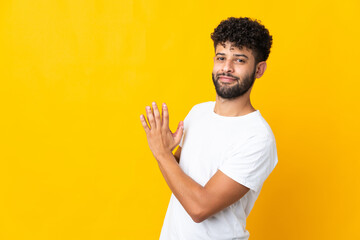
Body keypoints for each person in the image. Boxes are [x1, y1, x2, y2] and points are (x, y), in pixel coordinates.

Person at [140, 17, 278, 240]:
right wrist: (167, 153)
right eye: (221, 57)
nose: (226, 67)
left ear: (259, 69)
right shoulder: (198, 112)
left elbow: (200, 208)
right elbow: (181, 179)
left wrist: (161, 153)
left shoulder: (258, 138)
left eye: (240, 60)